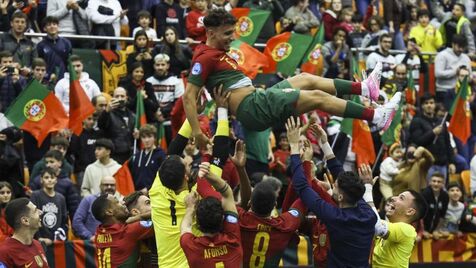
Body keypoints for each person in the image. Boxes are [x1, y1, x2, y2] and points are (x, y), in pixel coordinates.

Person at [183, 8, 401, 150]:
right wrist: (197, 133)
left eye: (232, 32)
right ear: (210, 33)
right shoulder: (205, 57)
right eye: (227, 33)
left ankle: (365, 88)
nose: (232, 38)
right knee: (315, 97)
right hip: (253, 108)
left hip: (257, 99)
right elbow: (188, 97)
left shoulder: (213, 53)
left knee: (306, 78)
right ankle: (375, 116)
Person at [287, 116, 377, 267]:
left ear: (340, 196)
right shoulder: (367, 213)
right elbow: (339, 172)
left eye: (335, 186)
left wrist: (294, 147)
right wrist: (324, 142)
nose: (332, 185)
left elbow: (302, 186)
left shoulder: (335, 217)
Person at [359, 164, 428, 267]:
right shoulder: (388, 227)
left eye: (401, 198)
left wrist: (368, 189)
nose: (393, 198)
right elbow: (364, 220)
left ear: (410, 211)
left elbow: (377, 226)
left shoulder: (407, 230)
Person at [180, 162, 243, 267]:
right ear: (223, 218)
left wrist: (190, 207)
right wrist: (207, 173)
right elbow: (227, 193)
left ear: (198, 224)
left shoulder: (191, 247)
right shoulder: (233, 239)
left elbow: (185, 227)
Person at [91, 193, 154, 267]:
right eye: (117, 202)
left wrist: (136, 217)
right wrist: (139, 217)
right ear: (109, 212)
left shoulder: (99, 232)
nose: (123, 202)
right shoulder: (129, 231)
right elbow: (162, 218)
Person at [29, 150, 80, 218]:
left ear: (60, 163)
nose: (48, 165)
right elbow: (30, 204)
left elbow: (73, 206)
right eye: (46, 162)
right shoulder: (37, 180)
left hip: (59, 219)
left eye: (52, 162)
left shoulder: (67, 183)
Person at [0, 198, 50, 267]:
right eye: (35, 210)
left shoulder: (37, 244)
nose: (40, 212)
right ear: (25, 221)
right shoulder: (4, 253)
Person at [73, 176, 122, 240]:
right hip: (91, 244)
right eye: (106, 185)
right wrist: (89, 236)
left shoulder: (119, 203)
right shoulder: (88, 200)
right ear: (100, 186)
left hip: (112, 243)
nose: (109, 187)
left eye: (112, 185)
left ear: (116, 187)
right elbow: (77, 221)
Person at [30, 168, 68, 246]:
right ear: (41, 180)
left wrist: (60, 236)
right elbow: (32, 217)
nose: (50, 180)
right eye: (46, 177)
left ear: (56, 180)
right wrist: (38, 238)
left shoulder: (61, 198)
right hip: (40, 239)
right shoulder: (35, 195)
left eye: (52, 177)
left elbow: (64, 220)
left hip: (56, 241)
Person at [97, 87, 136, 163]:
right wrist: (106, 111)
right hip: (114, 155)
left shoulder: (133, 115)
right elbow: (101, 125)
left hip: (130, 154)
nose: (120, 98)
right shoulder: (108, 113)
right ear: (113, 98)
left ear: (126, 98)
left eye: (122, 96)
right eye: (117, 96)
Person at [130, 124, 166, 191]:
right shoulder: (137, 156)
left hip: (155, 193)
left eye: (149, 137)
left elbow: (163, 177)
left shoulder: (161, 155)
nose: (146, 140)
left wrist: (149, 188)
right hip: (138, 193)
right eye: (143, 137)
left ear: (155, 138)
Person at [36, 16, 72, 80]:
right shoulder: (40, 45)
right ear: (44, 28)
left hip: (64, 80)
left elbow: (70, 63)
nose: (52, 26)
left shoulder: (66, 43)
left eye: (54, 24)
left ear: (58, 27)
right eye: (49, 25)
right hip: (47, 80)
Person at [421, 173, 449, 239]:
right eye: (434, 181)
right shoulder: (424, 194)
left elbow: (442, 216)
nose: (436, 184)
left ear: (443, 184)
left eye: (439, 182)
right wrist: (422, 231)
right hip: (422, 229)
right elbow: (419, 215)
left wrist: (437, 230)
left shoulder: (445, 196)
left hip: (434, 228)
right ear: (430, 182)